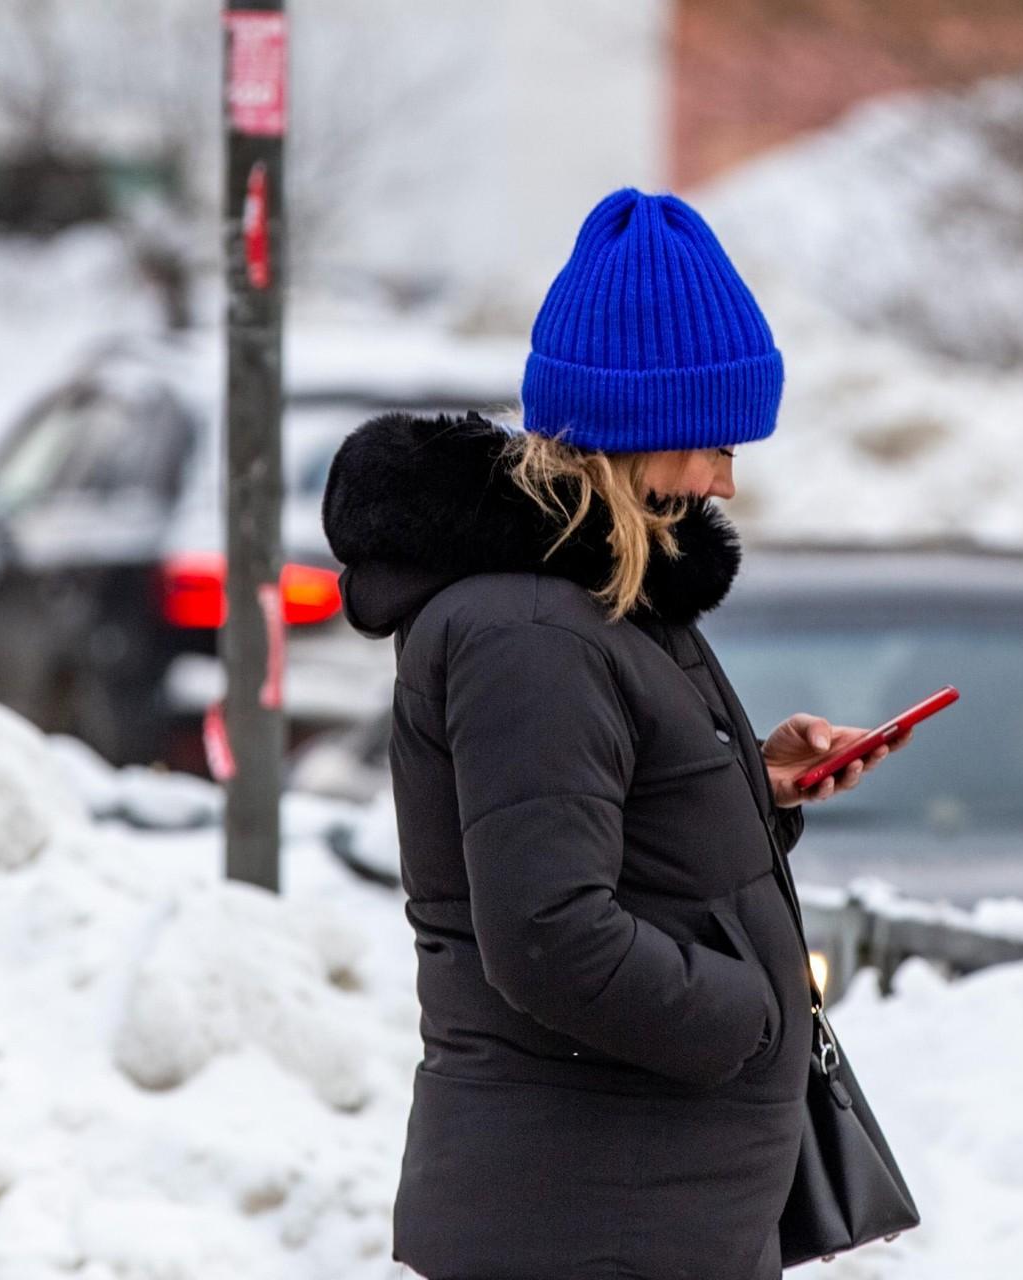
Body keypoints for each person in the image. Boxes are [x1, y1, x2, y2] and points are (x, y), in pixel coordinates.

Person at [322, 187, 904, 1280]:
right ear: (633, 428)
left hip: (632, 1203)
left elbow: (601, 829)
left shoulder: (598, 602)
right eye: (710, 443)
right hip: (587, 1216)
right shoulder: (531, 629)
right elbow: (548, 932)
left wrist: (757, 786)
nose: (726, 478)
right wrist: (748, 1015)